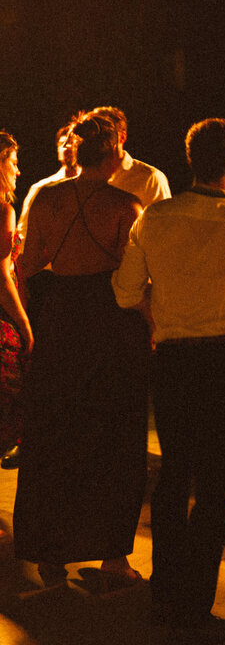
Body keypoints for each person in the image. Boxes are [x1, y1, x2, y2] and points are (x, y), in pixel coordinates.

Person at [113, 118, 225, 644]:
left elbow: (124, 290)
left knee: (175, 474)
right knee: (218, 484)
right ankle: (195, 604)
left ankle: (164, 594)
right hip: (224, 362)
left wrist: (162, 317)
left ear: (190, 159)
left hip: (174, 359)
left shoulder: (155, 219)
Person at [13, 113, 149, 588]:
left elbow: (25, 266)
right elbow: (135, 283)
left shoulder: (47, 198)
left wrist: (34, 316)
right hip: (109, 322)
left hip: (61, 321)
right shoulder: (126, 205)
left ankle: (50, 554)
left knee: (55, 435)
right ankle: (113, 557)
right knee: (113, 437)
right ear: (111, 155)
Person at [0, 133, 33, 471]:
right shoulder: (2, 210)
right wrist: (24, 326)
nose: (18, 170)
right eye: (13, 162)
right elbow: (1, 278)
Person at [91, 105, 171, 207]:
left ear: (122, 137)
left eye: (105, 133)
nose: (97, 139)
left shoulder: (149, 179)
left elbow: (162, 220)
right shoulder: (83, 176)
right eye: (93, 134)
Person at [15, 122, 80, 244]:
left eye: (72, 143)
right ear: (57, 150)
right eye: (62, 144)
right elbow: (22, 233)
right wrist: (16, 256)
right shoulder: (41, 188)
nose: (67, 147)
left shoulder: (94, 187)